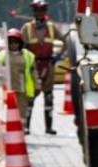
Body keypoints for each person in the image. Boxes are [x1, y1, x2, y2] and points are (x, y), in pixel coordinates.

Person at [21, 0, 63, 134]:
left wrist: (57, 57)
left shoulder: (52, 27)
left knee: (49, 97)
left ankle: (49, 127)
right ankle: (26, 127)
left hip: (48, 65)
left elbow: (65, 42)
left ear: (45, 12)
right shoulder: (26, 28)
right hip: (33, 67)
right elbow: (20, 47)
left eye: (42, 10)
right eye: (37, 10)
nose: (40, 13)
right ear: (33, 12)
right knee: (30, 98)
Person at [0, 29, 38, 126]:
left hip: (22, 88)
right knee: (8, 112)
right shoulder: (3, 55)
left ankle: (21, 132)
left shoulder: (28, 55)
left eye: (16, 42)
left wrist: (37, 85)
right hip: (7, 89)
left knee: (22, 112)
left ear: (20, 43)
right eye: (11, 42)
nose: (13, 44)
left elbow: (33, 72)